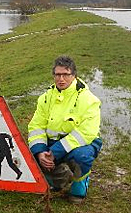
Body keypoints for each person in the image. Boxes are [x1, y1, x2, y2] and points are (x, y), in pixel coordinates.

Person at [27, 56, 102, 203]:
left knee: (82, 157)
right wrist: (40, 151)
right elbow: (36, 127)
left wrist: (55, 152)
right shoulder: (45, 98)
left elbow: (86, 133)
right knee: (31, 155)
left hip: (81, 144)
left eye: (66, 74)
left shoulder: (89, 99)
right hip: (51, 144)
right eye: (57, 74)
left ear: (74, 75)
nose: (61, 79)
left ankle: (79, 188)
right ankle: (57, 180)